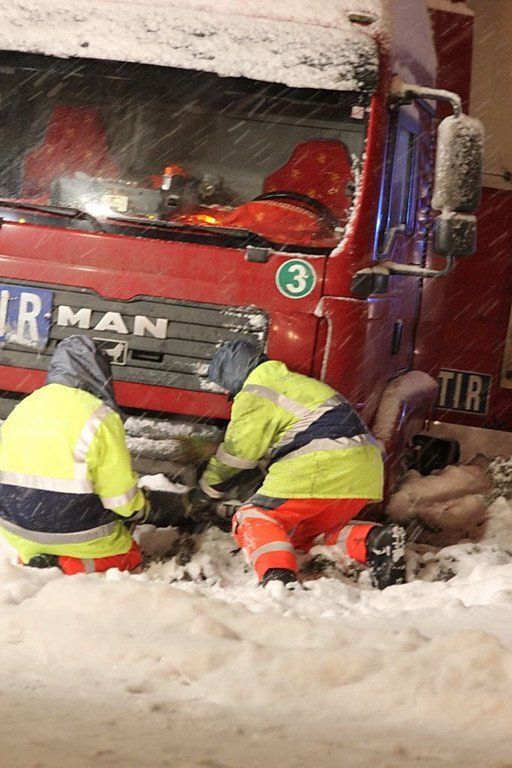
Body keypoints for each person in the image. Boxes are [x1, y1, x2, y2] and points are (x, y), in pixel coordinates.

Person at [190, 340, 406, 590]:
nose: (228, 393)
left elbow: (238, 454)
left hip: (322, 464)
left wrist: (207, 490)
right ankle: (375, 541)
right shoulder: (297, 383)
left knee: (252, 517)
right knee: (300, 538)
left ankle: (278, 578)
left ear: (231, 373)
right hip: (364, 470)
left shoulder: (256, 392)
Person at [0, 335, 168, 574]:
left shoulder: (24, 406)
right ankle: (65, 565)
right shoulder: (101, 416)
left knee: (37, 535)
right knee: (129, 554)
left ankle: (36, 557)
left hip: (16, 531)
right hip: (78, 534)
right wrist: (143, 508)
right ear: (98, 372)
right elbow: (121, 501)